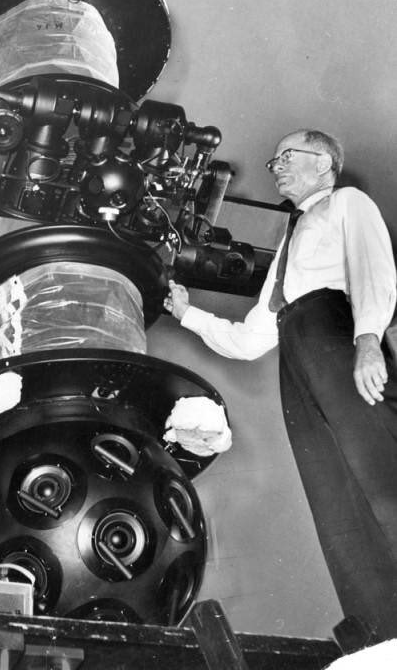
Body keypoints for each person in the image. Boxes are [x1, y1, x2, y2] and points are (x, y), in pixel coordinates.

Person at [163, 129, 397, 640]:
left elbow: (373, 268)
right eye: (276, 160)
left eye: (289, 156)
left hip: (337, 329)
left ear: (326, 164)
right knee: (332, 495)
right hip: (296, 344)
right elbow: (251, 339)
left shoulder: (347, 203)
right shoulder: (289, 242)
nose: (278, 166)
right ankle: (382, 633)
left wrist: (367, 341)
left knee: (380, 471)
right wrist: (187, 315)